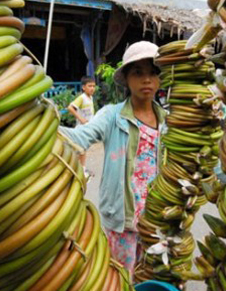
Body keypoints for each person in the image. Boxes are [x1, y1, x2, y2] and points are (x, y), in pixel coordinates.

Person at [60, 41, 166, 276]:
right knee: (118, 285)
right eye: (138, 72)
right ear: (127, 79)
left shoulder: (169, 122)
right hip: (122, 223)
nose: (146, 79)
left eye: (152, 72)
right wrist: (41, 121)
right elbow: (78, 138)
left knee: (151, 284)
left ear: (160, 79)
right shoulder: (111, 116)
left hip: (158, 222)